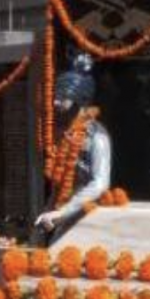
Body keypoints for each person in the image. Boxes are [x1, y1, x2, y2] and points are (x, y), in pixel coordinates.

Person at [35, 55, 111, 238]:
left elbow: (100, 184)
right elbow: (58, 184)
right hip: (61, 217)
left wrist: (63, 212)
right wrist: (49, 211)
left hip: (89, 218)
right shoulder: (64, 133)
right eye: (56, 96)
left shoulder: (97, 136)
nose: (55, 102)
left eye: (62, 97)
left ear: (79, 98)